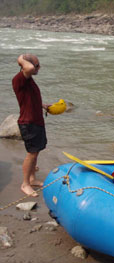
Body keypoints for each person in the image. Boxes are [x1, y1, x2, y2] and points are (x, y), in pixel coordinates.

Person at [12, 54, 50, 197]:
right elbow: (27, 66)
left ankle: (32, 179)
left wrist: (43, 105)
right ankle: (25, 184)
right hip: (28, 123)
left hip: (36, 121)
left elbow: (30, 98)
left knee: (37, 151)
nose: (39, 67)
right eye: (37, 65)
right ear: (29, 66)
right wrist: (22, 58)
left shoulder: (28, 81)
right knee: (31, 154)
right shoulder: (19, 79)